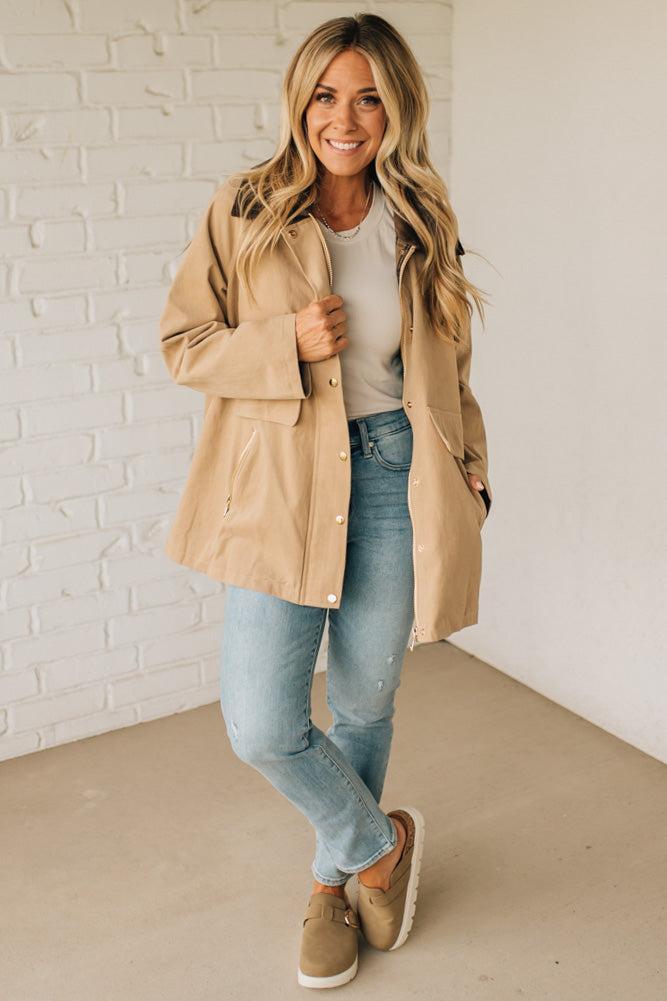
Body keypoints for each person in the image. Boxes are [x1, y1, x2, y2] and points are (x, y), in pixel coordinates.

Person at [158, 12, 492, 991]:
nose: (345, 117)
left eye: (369, 95)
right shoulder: (245, 206)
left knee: (363, 701)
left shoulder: (424, 216)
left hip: (396, 472)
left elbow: (452, 371)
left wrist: (471, 467)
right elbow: (183, 344)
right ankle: (373, 842)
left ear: (398, 108)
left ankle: (327, 886)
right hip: (282, 478)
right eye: (326, 93)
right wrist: (283, 345)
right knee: (261, 723)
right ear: (299, 101)